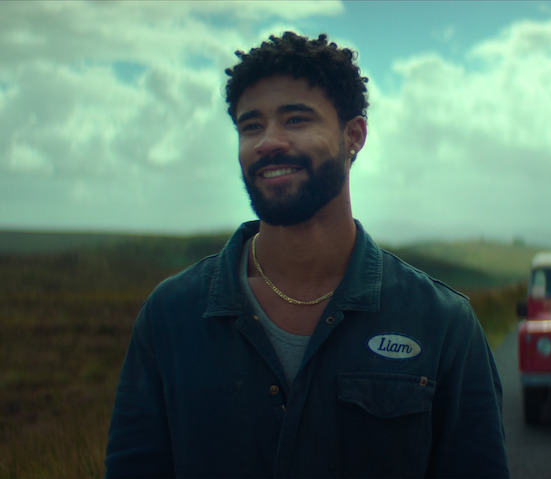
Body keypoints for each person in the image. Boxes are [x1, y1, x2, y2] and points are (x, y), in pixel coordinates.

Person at [105, 32, 509, 478]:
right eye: (251, 125)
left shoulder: (442, 324)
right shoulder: (170, 317)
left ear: (353, 136)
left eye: (295, 119)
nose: (267, 142)